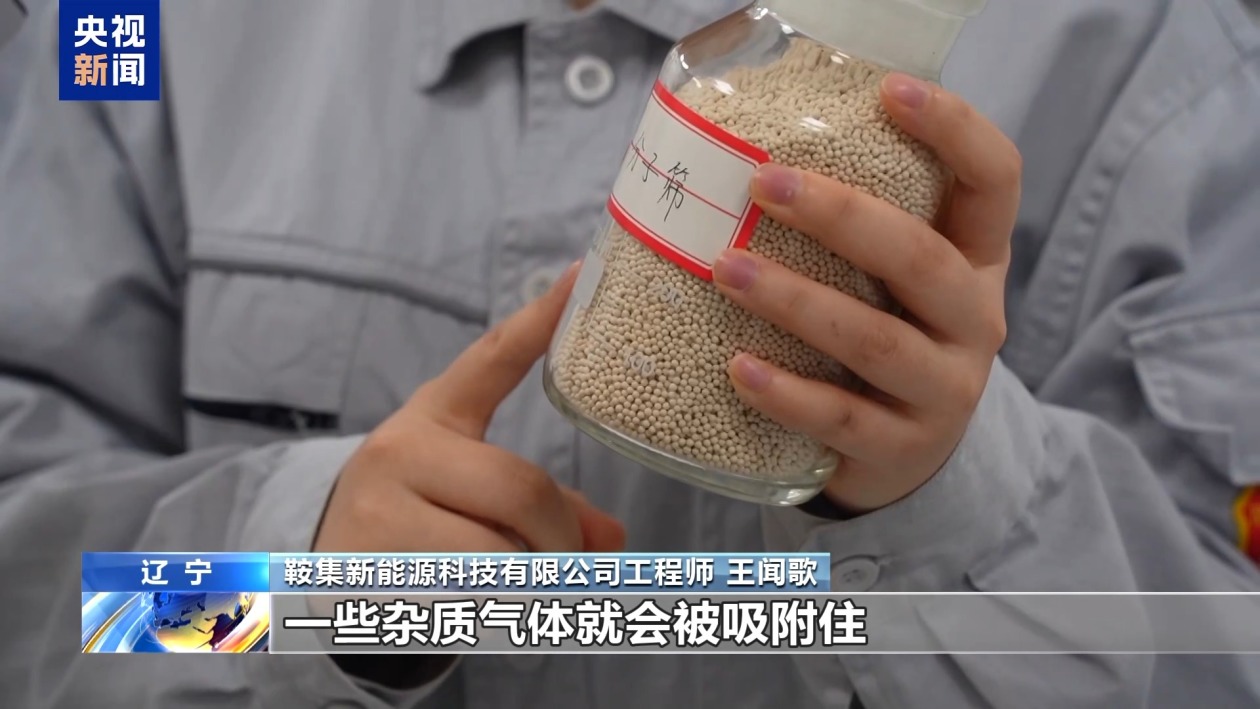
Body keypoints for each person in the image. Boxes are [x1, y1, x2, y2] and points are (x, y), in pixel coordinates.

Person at [0, 0, 1258, 707]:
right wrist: (288, 587)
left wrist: (958, 505)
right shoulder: (137, 30)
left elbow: (1215, 663)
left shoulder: (1157, 60)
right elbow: (33, 613)